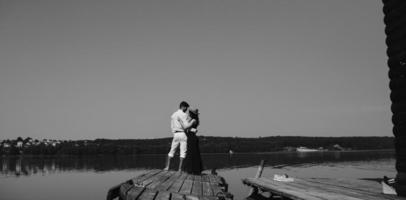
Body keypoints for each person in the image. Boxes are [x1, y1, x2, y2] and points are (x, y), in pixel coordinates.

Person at [164, 101, 196, 172]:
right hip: (182, 134)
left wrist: (174, 133)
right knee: (183, 152)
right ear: (183, 107)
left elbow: (172, 126)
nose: (186, 110)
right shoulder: (184, 115)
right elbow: (186, 126)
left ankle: (167, 167)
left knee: (172, 151)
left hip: (175, 134)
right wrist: (193, 123)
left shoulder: (173, 115)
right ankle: (180, 169)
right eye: (186, 108)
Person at [183, 108, 203, 174]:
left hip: (192, 138)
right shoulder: (194, 120)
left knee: (192, 153)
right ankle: (193, 169)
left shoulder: (193, 120)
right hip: (192, 137)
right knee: (193, 153)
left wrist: (189, 128)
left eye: (189, 113)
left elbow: (186, 127)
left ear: (192, 114)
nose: (188, 114)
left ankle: (192, 169)